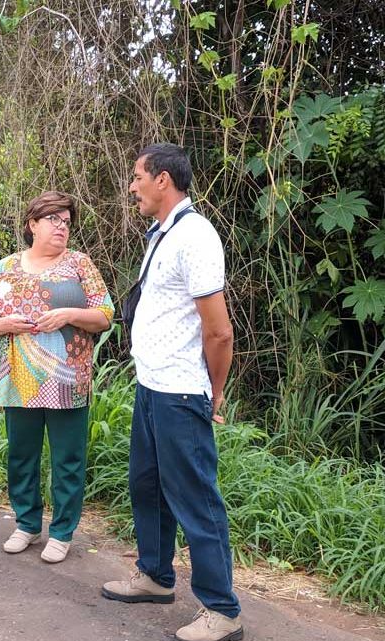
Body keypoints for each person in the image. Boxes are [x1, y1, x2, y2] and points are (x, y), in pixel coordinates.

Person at [101, 144, 243, 641]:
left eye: (138, 177)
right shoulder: (164, 232)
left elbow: (219, 332)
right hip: (151, 386)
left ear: (163, 180)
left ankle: (222, 610)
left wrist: (213, 392)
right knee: (146, 486)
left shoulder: (196, 236)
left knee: (195, 500)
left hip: (182, 393)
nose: (133, 186)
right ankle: (156, 576)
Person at [0, 191, 113, 564]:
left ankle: (63, 531)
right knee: (22, 455)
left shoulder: (80, 264)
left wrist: (69, 314)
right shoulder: (5, 267)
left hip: (69, 379)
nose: (61, 228)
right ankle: (27, 524)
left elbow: (105, 315)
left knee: (67, 457)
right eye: (54, 220)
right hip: (19, 378)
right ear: (33, 224)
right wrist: (4, 324)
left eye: (67, 222)